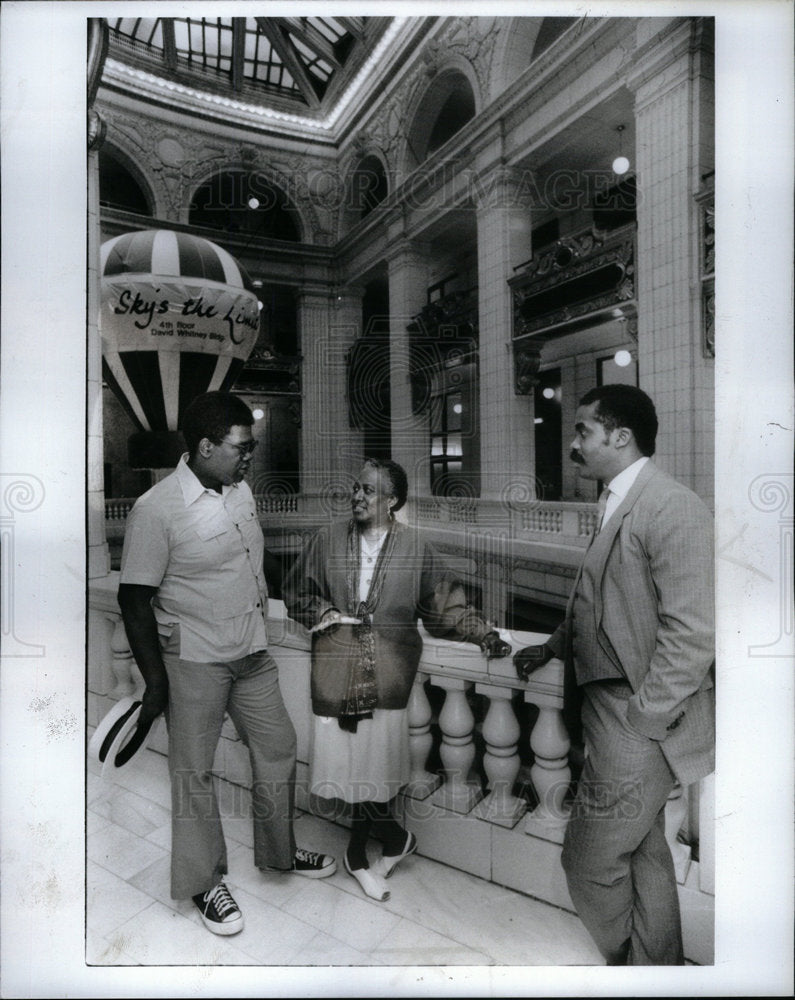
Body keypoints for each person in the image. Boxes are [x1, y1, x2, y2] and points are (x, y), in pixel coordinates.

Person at [117, 391, 336, 938]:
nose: (250, 456)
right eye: (242, 447)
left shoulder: (240, 493)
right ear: (205, 446)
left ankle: (279, 854)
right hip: (195, 661)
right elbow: (132, 600)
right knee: (192, 772)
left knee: (279, 747)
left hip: (252, 652)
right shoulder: (155, 510)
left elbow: (249, 567)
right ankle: (202, 880)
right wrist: (155, 683)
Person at [513, 384, 714, 966]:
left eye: (583, 431)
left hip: (635, 720)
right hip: (609, 713)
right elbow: (602, 601)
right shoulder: (618, 500)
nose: (572, 443)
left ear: (620, 437)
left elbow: (693, 631)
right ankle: (659, 971)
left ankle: (629, 968)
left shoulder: (671, 506)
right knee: (644, 851)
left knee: (589, 858)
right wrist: (553, 645)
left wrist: (645, 718)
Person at [283, 457, 511, 901]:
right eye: (357, 488)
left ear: (394, 501)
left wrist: (484, 634)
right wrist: (323, 611)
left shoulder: (416, 548)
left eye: (369, 491)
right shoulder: (327, 538)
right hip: (336, 669)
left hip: (387, 673)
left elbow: (445, 608)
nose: (358, 496)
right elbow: (296, 591)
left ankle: (359, 854)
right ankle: (390, 841)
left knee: (373, 766)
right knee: (347, 764)